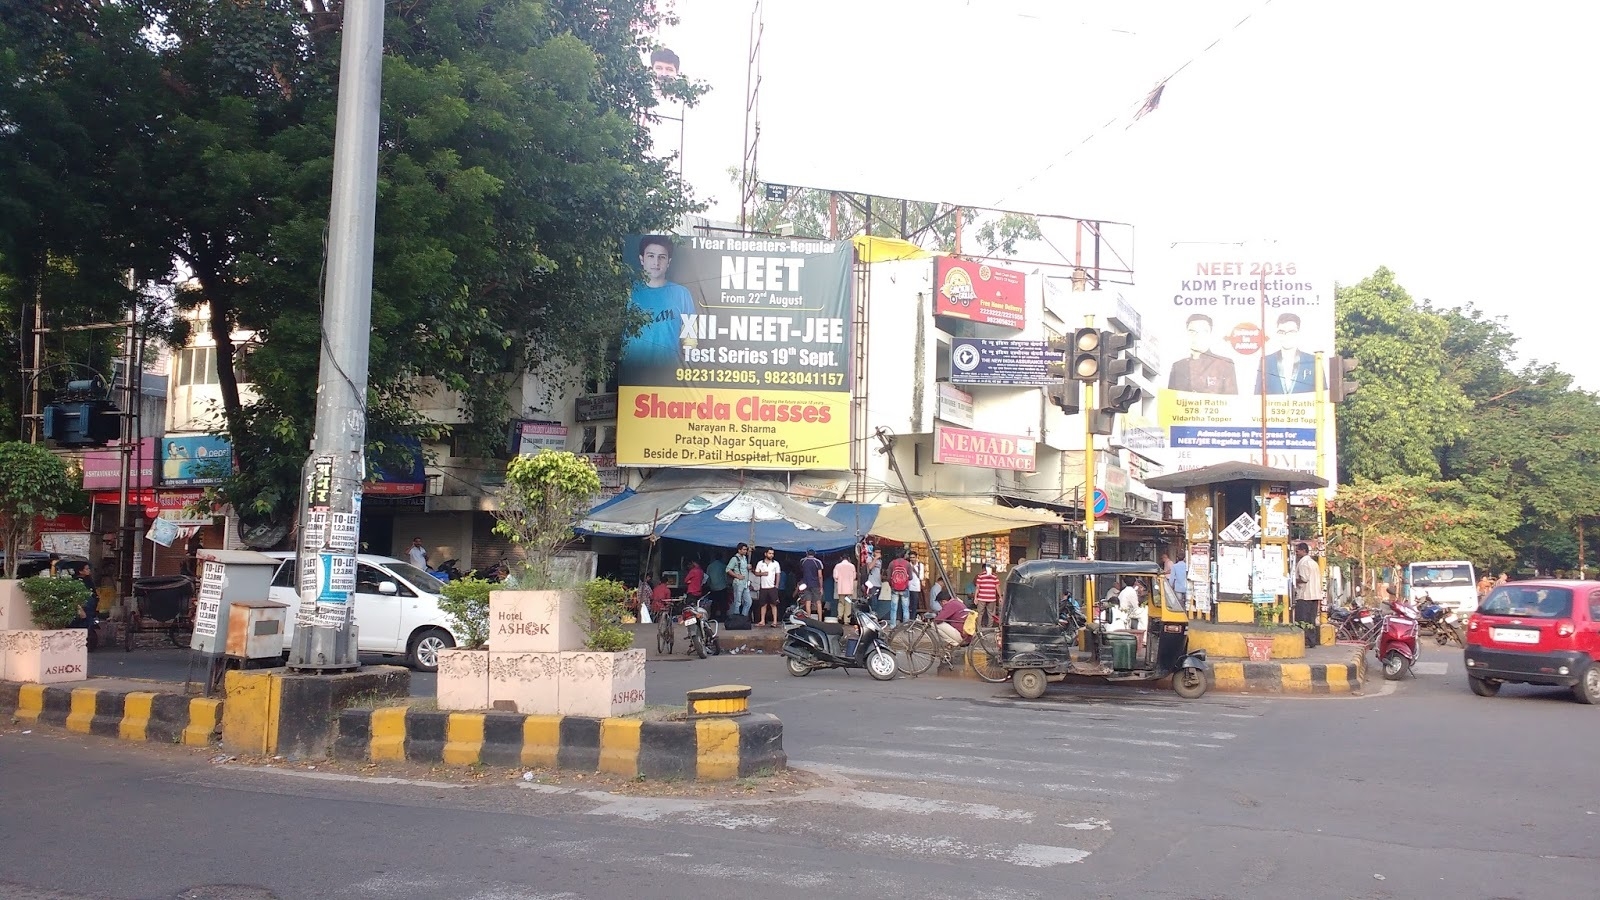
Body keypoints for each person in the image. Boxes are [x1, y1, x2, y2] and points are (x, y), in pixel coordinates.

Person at [623, 235, 695, 370]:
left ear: (668, 262)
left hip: (668, 372)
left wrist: (686, 369)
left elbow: (690, 339)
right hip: (634, 371)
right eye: (651, 256)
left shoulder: (682, 294)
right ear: (642, 259)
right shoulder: (628, 292)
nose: (656, 262)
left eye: (662, 257)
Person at [1167, 313, 1238, 394]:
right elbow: (1170, 399)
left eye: (1203, 332)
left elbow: (1232, 400)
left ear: (1210, 334)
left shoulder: (1225, 364)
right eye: (1192, 332)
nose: (1197, 336)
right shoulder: (1178, 366)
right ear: (1187, 334)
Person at [1256, 312, 1317, 394]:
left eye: (1291, 331)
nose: (1286, 336)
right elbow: (1257, 396)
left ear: (1298, 333)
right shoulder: (1266, 361)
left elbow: (1324, 394)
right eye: (1281, 332)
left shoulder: (1313, 361)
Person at [1293, 542, 1325, 627]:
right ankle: (1311, 636)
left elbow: (1304, 579)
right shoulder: (1313, 563)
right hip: (1314, 596)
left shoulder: (1303, 563)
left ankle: (1306, 636)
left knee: (1302, 622)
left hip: (1305, 596)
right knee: (1311, 621)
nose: (1296, 553)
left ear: (1303, 551)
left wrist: (1293, 581)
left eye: (1297, 551)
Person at [754, 548, 783, 626]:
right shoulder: (760, 563)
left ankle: (775, 621)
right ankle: (762, 621)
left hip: (772, 587)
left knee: (773, 604)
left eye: (772, 554)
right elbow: (756, 573)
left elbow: (778, 574)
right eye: (770, 553)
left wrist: (776, 585)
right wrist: (762, 574)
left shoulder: (775, 563)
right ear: (765, 554)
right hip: (763, 587)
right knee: (763, 605)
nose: (771, 555)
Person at [725, 543, 752, 619]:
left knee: (748, 602)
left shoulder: (744, 558)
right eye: (744, 549)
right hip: (738, 583)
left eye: (746, 549)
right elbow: (728, 569)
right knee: (737, 602)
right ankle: (736, 618)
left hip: (745, 583)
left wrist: (748, 567)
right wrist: (737, 576)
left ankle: (743, 618)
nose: (745, 551)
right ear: (739, 550)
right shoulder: (734, 559)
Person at [886, 552, 912, 626]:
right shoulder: (907, 564)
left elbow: (888, 578)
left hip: (895, 589)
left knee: (893, 608)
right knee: (905, 608)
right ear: (904, 555)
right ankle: (905, 625)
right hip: (905, 589)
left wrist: (892, 585)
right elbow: (910, 577)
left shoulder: (892, 563)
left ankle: (892, 625)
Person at [798, 548, 825, 618]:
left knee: (808, 601)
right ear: (814, 554)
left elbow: (801, 572)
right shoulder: (818, 562)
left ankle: (809, 618)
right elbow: (820, 576)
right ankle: (820, 619)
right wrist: (821, 587)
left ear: (807, 553)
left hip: (806, 584)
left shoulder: (803, 561)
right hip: (816, 584)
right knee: (818, 602)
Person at [973, 563, 1002, 627]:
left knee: (980, 613)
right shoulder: (994, 576)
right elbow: (997, 587)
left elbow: (977, 587)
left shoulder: (980, 576)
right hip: (991, 598)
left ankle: (979, 628)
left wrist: (975, 597)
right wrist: (1000, 597)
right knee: (991, 614)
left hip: (981, 598)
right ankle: (989, 628)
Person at [832, 553, 857, 625]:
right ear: (848, 558)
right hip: (849, 588)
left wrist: (838, 581)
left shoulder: (838, 566)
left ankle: (840, 616)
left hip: (841, 588)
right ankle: (847, 620)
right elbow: (854, 577)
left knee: (841, 602)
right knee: (848, 603)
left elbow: (835, 576)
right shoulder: (852, 566)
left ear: (841, 558)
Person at [705, 551, 729, 620]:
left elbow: (707, 577)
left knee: (714, 603)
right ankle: (723, 616)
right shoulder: (723, 566)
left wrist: (709, 585)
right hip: (722, 587)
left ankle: (712, 616)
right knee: (723, 603)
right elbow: (726, 577)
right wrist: (727, 584)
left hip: (713, 587)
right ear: (721, 558)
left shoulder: (710, 566)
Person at [864, 549, 886, 621]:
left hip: (878, 583)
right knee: (873, 601)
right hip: (871, 583)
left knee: (876, 600)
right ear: (873, 552)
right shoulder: (870, 558)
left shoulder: (880, 561)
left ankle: (873, 615)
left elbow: (879, 572)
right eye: (876, 552)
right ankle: (871, 616)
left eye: (879, 552)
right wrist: (875, 558)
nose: (878, 553)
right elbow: (870, 567)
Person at [1169, 551, 1190, 618]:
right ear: (1184, 558)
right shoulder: (1187, 566)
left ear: (1177, 558)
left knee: (1179, 602)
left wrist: (1170, 586)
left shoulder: (1174, 566)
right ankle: (1187, 614)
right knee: (1187, 601)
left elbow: (1172, 578)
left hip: (1178, 587)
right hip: (1186, 586)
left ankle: (1181, 614)